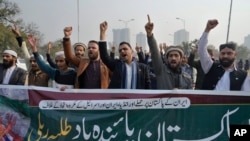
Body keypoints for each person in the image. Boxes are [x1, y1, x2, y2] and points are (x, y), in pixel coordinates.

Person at [198, 19, 249, 91]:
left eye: (229, 53)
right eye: (223, 53)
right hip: (208, 102)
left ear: (235, 55)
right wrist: (207, 29)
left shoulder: (243, 75)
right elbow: (201, 50)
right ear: (219, 54)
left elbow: (245, 97)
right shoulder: (210, 66)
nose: (225, 56)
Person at [99, 21, 151, 89]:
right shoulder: (117, 65)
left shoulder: (143, 68)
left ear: (132, 51)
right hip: (118, 99)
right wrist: (102, 33)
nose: (122, 51)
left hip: (137, 99)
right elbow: (104, 56)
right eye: (120, 50)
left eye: (125, 49)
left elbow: (148, 88)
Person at [145, 15, 192, 89]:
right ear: (167, 58)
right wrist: (150, 34)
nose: (173, 58)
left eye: (176, 56)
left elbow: (189, 98)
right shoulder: (161, 71)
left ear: (181, 58)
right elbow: (155, 53)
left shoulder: (187, 78)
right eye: (170, 56)